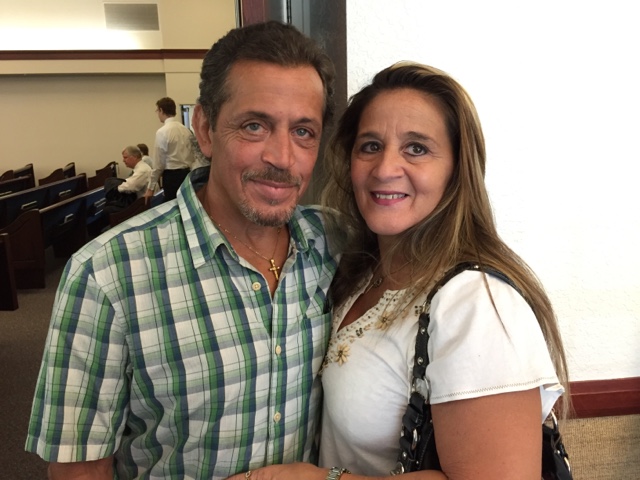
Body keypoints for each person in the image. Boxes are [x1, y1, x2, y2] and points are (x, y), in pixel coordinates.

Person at [25, 21, 337, 480]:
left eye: (304, 132)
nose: (283, 158)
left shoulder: (335, 243)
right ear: (205, 130)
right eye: (255, 126)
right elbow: (80, 470)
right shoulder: (106, 274)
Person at [228, 63, 571, 480]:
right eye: (370, 146)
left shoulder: (475, 304)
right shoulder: (357, 269)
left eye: (417, 148)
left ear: (456, 169)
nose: (385, 168)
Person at [144, 96, 196, 202]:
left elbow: (158, 164)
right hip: (187, 175)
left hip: (172, 177)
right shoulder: (186, 130)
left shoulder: (162, 132)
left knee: (172, 205)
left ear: (161, 110)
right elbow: (193, 155)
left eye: (157, 111)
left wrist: (150, 188)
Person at [103, 145, 152, 214]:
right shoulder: (141, 167)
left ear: (135, 157)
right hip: (141, 201)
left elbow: (130, 187)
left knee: (107, 209)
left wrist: (116, 188)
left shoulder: (142, 170)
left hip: (142, 205)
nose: (123, 160)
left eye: (125, 157)